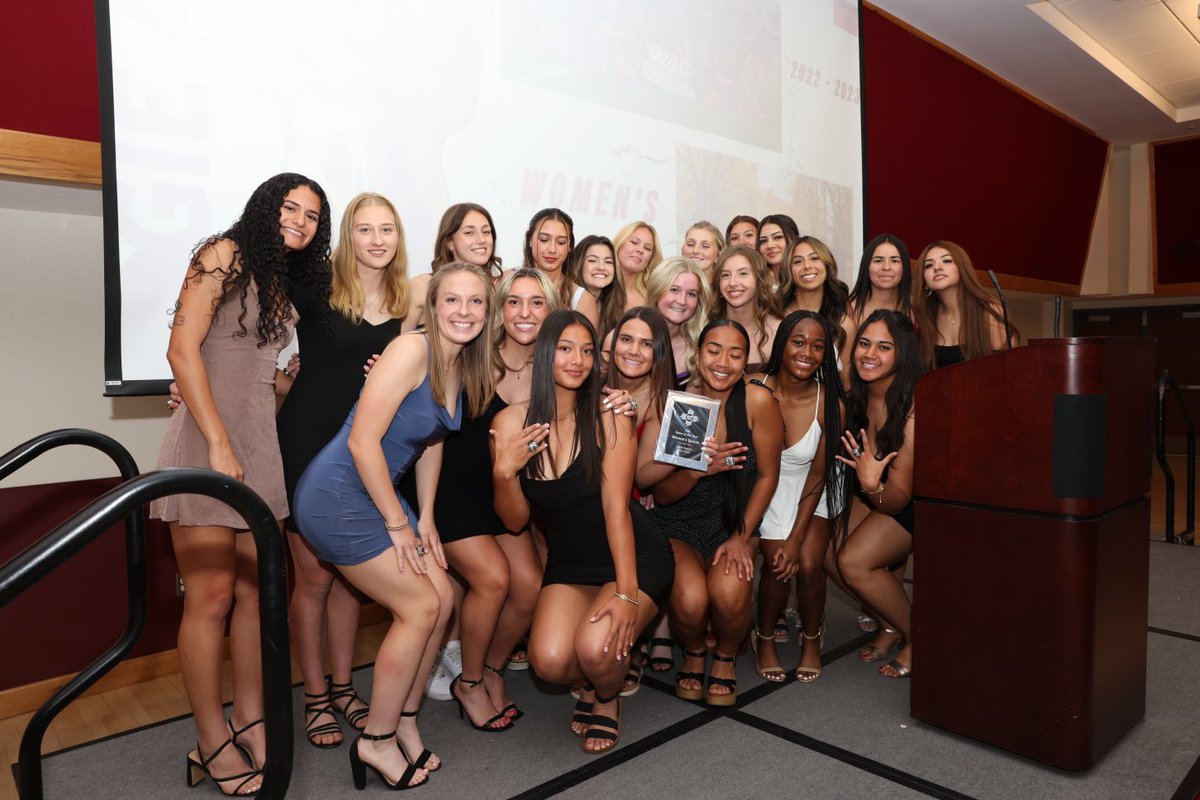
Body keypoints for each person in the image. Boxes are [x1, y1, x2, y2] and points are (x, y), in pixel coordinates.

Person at [153, 172, 331, 796]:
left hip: (261, 449)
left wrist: (290, 381)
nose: (299, 222)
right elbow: (182, 351)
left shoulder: (278, 280)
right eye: (290, 207)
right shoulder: (222, 254)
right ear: (264, 207)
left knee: (260, 598)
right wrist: (219, 443)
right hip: (209, 445)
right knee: (212, 599)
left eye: (311, 216)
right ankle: (210, 740)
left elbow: (253, 370)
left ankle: (250, 719)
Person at [293, 263, 494, 790]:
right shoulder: (410, 350)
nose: (464, 311)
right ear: (434, 306)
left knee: (443, 599)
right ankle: (375, 740)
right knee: (420, 606)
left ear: (486, 312)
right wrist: (397, 522)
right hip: (338, 494)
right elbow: (362, 442)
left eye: (476, 302)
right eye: (453, 300)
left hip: (382, 495)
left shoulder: (461, 364)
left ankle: (404, 721)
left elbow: (432, 441)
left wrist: (424, 517)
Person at [491, 310, 675, 754]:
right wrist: (503, 473)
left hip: (633, 556)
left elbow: (617, 511)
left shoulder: (610, 416)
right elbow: (515, 522)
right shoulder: (511, 423)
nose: (577, 360)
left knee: (596, 650)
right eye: (565, 349)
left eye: (588, 351)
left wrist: (627, 593)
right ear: (544, 353)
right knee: (550, 664)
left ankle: (606, 697)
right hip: (571, 564)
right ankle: (597, 675)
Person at [277, 192, 412, 749]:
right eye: (365, 229)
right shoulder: (315, 287)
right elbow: (250, 338)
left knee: (350, 582)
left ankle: (342, 687)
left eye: (387, 229)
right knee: (313, 580)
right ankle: (315, 697)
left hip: (369, 455)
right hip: (307, 443)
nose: (377, 240)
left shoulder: (408, 303)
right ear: (347, 236)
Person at [428, 268, 561, 732]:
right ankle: (468, 682)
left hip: (506, 497)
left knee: (531, 587)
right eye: (514, 301)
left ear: (551, 310)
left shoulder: (553, 370)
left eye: (537, 302)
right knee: (494, 578)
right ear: (499, 308)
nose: (525, 312)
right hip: (451, 492)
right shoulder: (470, 355)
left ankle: (491, 670)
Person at [638, 320, 783, 706]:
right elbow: (661, 496)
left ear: (746, 361)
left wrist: (741, 537)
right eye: (714, 351)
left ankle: (724, 654)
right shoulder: (678, 405)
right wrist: (695, 470)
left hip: (734, 522)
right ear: (698, 355)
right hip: (677, 522)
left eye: (735, 354)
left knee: (730, 593)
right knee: (690, 600)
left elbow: (768, 476)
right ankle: (696, 650)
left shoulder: (757, 401)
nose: (723, 362)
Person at [752, 311, 843, 683]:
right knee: (778, 565)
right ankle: (764, 637)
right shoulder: (754, 387)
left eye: (818, 346)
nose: (807, 352)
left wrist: (794, 537)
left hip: (811, 489)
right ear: (782, 344)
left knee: (806, 563)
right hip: (766, 489)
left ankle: (811, 636)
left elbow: (819, 476)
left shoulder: (829, 402)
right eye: (799, 342)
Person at [833, 309, 921, 680]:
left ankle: (919, 636)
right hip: (872, 495)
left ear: (902, 354)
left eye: (884, 347)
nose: (869, 354)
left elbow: (899, 499)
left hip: (912, 507)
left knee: (853, 561)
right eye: (865, 344)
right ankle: (890, 624)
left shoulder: (913, 410)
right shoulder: (856, 395)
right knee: (824, 548)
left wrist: (872, 485)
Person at [603, 307, 678, 675]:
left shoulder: (662, 401)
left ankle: (638, 630)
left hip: (632, 503)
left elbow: (643, 477)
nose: (634, 350)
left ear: (658, 352)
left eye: (646, 344)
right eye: (627, 340)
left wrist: (688, 458)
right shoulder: (588, 383)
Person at [914, 240, 1017, 369]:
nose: (937, 267)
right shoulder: (927, 317)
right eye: (929, 265)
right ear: (924, 279)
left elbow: (1008, 370)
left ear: (962, 268)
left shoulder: (989, 312)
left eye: (947, 260)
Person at [409, 203, 502, 328]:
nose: (482, 240)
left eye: (486, 232)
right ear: (450, 243)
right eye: (469, 232)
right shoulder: (423, 286)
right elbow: (401, 337)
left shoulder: (502, 287)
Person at [708, 245, 783, 373]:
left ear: (759, 279)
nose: (732, 282)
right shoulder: (705, 328)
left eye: (743, 273)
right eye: (725, 275)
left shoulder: (780, 330)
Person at [844, 234, 915, 362]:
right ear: (866, 266)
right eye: (878, 261)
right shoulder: (848, 310)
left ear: (904, 267)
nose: (886, 267)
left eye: (894, 261)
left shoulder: (918, 306)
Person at [643, 256, 711, 387]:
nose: (682, 301)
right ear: (656, 289)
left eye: (691, 294)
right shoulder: (624, 337)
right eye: (674, 290)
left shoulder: (700, 347)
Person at [780, 236, 850, 353]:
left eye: (814, 258)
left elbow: (846, 365)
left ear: (827, 267)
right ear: (789, 272)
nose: (807, 266)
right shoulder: (776, 317)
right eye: (798, 261)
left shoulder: (843, 324)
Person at [568, 234, 626, 339]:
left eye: (608, 262)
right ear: (578, 263)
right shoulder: (568, 300)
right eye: (592, 260)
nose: (601, 267)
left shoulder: (615, 307)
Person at [613, 220, 663, 309]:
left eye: (647, 248)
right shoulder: (598, 288)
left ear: (651, 259)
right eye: (634, 242)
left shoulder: (654, 299)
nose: (640, 250)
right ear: (619, 244)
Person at [756, 213, 800, 287]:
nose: (769, 245)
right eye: (763, 241)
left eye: (778, 237)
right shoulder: (757, 284)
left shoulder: (805, 280)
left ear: (794, 239)